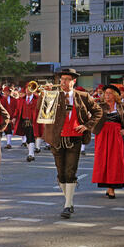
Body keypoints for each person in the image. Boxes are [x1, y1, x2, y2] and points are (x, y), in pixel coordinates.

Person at [39, 68, 102, 219]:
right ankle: (69, 201)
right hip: (57, 137)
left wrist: (87, 126)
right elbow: (42, 113)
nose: (63, 82)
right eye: (62, 79)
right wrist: (45, 96)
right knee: (61, 174)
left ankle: (67, 205)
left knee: (70, 172)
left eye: (67, 79)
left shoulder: (83, 96)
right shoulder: (53, 95)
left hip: (75, 137)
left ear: (74, 81)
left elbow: (98, 112)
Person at [92, 85, 124, 199]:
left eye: (110, 93)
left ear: (115, 95)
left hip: (117, 137)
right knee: (104, 162)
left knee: (115, 162)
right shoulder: (100, 106)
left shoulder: (122, 106)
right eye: (105, 93)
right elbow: (91, 116)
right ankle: (109, 187)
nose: (107, 95)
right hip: (102, 137)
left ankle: (111, 188)